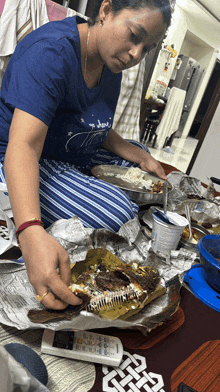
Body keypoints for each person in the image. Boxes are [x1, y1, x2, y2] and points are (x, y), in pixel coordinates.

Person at [0, 0, 172, 310]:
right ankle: (79, 194)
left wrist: (134, 152)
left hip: (68, 149)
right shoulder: (50, 52)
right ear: (105, 10)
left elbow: (91, 124)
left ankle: (84, 188)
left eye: (146, 48)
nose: (136, 54)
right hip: (25, 154)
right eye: (134, 35)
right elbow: (24, 146)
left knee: (145, 160)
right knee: (117, 211)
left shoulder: (110, 62)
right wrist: (29, 230)